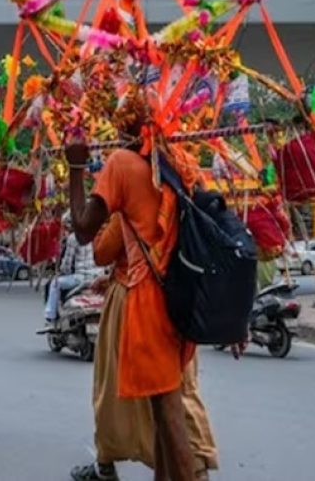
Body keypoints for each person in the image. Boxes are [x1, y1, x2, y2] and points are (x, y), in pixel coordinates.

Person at [66, 107, 197, 481]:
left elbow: (82, 230)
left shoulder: (122, 163)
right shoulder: (173, 162)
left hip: (147, 299)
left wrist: (76, 167)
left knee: (170, 414)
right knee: (160, 411)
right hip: (177, 299)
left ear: (123, 130)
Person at [71, 213, 218, 481]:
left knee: (132, 394)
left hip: (139, 302)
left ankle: (193, 467)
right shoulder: (186, 186)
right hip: (179, 301)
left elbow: (100, 249)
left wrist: (102, 216)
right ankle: (195, 464)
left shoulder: (129, 186)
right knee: (179, 392)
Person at [44, 217, 100, 323]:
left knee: (55, 284)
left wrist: (62, 272)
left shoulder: (74, 238)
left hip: (80, 278)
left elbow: (67, 265)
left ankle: (50, 316)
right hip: (98, 276)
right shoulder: (99, 235)